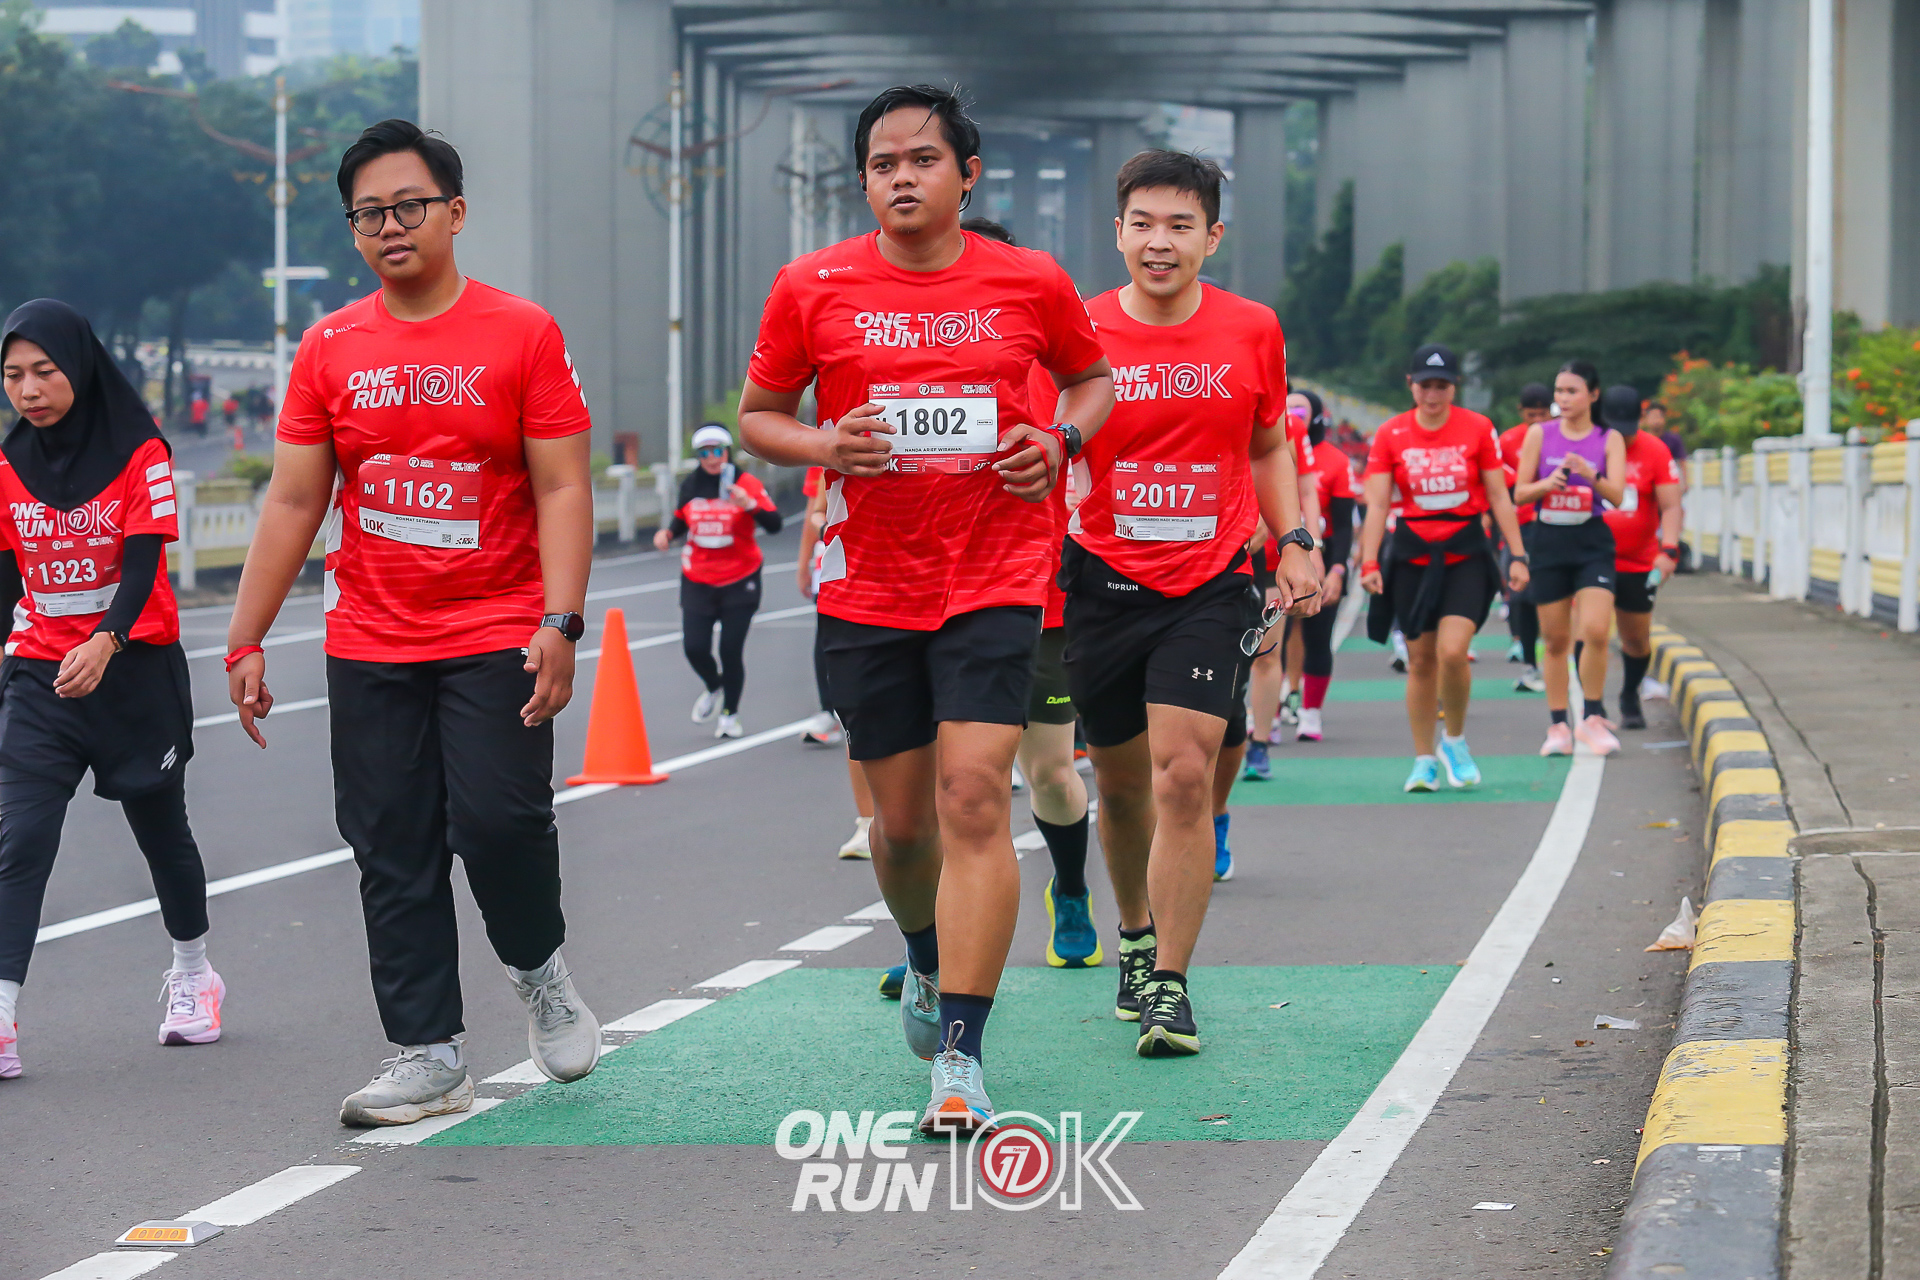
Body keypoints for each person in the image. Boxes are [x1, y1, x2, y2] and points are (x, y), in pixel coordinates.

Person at [739, 85, 1114, 1134]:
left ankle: (961, 1056)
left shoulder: (1030, 280)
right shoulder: (812, 285)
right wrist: (824, 444)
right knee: (900, 828)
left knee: (974, 798)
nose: (902, 177)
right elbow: (761, 415)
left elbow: (1091, 382)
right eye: (883, 163)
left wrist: (1058, 442)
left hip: (995, 571)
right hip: (869, 584)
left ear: (967, 174)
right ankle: (920, 950)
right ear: (864, 180)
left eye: (923, 159)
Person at [227, 119, 601, 1127]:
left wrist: (562, 619)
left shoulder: (521, 332)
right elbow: (295, 500)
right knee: (389, 840)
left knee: (499, 821)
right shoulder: (331, 347)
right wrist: (246, 636)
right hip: (371, 637)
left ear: (455, 212)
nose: (389, 227)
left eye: (408, 206)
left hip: (497, 628)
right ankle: (428, 1052)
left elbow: (563, 485)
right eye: (368, 214)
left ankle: (539, 970)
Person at [1064, 150, 1317, 1058]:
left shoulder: (1252, 328)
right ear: (1119, 233)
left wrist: (1294, 538)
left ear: (1213, 237)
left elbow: (1267, 445)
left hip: (1209, 583)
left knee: (1183, 773)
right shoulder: (1080, 329)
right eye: (1143, 224)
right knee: (1121, 785)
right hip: (1100, 578)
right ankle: (1134, 934)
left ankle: (1169, 983)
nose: (1159, 242)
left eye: (1180, 225)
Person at [0, 301, 216, 1079]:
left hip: (134, 677)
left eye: (45, 372)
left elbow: (144, 565)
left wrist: (106, 640)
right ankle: (1, 1013)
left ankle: (194, 974)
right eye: (13, 375)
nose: (29, 389)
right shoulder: (8, 462)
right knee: (19, 841)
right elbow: (7, 577)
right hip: (42, 678)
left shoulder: (140, 451)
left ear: (81, 369)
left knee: (162, 835)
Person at [1358, 344, 1530, 792]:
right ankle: (1423, 759)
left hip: (1464, 554)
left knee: (1453, 652)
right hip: (1411, 555)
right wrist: (1369, 560)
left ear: (1455, 387)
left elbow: (1499, 495)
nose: (1433, 394)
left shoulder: (1478, 427)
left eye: (1442, 386)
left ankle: (1454, 739)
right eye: (1425, 385)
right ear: (1410, 385)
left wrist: (1518, 554)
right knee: (1420, 661)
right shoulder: (1391, 433)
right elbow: (1378, 504)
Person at [1512, 360, 1628, 756]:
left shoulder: (1608, 438)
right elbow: (1519, 493)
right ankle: (1559, 724)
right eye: (1559, 391)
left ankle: (1592, 718)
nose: (1563, 399)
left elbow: (1617, 496)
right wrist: (1548, 483)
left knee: (1596, 630)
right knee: (1556, 640)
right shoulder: (1539, 434)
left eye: (1572, 391)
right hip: (1549, 540)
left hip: (1591, 540)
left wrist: (1589, 474)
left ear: (1593, 395)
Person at [654, 423, 781, 739]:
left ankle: (729, 715)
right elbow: (681, 519)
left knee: (729, 650)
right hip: (697, 579)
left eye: (718, 451)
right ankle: (714, 685)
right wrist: (667, 534)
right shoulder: (691, 485)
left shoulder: (745, 484)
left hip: (740, 579)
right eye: (705, 453)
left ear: (728, 452)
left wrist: (749, 505)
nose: (712, 458)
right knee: (694, 647)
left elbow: (774, 524)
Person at [1240, 391, 1318, 775]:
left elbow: (1306, 489)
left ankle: (1260, 744)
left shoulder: (1290, 424)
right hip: (1214, 548)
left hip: (1271, 556)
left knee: (1266, 652)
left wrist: (1311, 548)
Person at [1600, 385, 1682, 730]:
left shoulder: (1654, 450)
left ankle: (1630, 693)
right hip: (1593, 558)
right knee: (1590, 632)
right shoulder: (1588, 446)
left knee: (1635, 637)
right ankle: (1592, 707)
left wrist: (1669, 550)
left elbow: (1671, 505)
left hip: (1637, 560)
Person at [1290, 391, 1357, 744]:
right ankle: (1274, 707)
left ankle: (1311, 712)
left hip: (1321, 556)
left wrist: (1337, 570)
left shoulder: (1335, 461)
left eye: (1300, 408)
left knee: (1318, 635)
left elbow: (1344, 526)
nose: (1293, 414)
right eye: (1287, 407)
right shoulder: (1269, 451)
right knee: (1277, 638)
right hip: (1275, 556)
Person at [1498, 382, 1552, 692]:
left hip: (1555, 525)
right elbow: (1498, 486)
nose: (1538, 421)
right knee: (1520, 596)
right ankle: (1530, 664)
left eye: (1543, 415)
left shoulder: (1562, 437)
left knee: (1553, 596)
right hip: (1519, 528)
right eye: (1532, 415)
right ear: (1521, 412)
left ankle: (1561, 660)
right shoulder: (1507, 442)